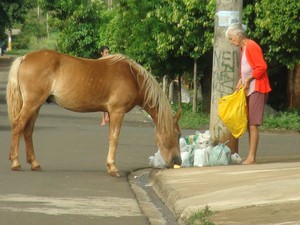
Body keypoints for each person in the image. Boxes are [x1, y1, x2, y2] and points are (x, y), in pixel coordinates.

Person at [225, 24, 271, 165]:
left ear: (239, 35)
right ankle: (250, 156)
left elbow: (261, 67)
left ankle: (251, 157)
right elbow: (246, 67)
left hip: (257, 87)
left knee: (253, 123)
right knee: (250, 123)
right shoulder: (242, 48)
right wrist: (241, 79)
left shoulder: (251, 46)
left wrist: (249, 79)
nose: (231, 42)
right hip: (249, 88)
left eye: (232, 38)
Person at [99, 46, 110, 125]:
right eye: (106, 52)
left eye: (108, 52)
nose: (108, 54)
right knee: (102, 102)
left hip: (108, 82)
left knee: (109, 101)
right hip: (101, 83)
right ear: (101, 53)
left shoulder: (110, 61)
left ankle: (108, 117)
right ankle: (103, 119)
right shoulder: (99, 61)